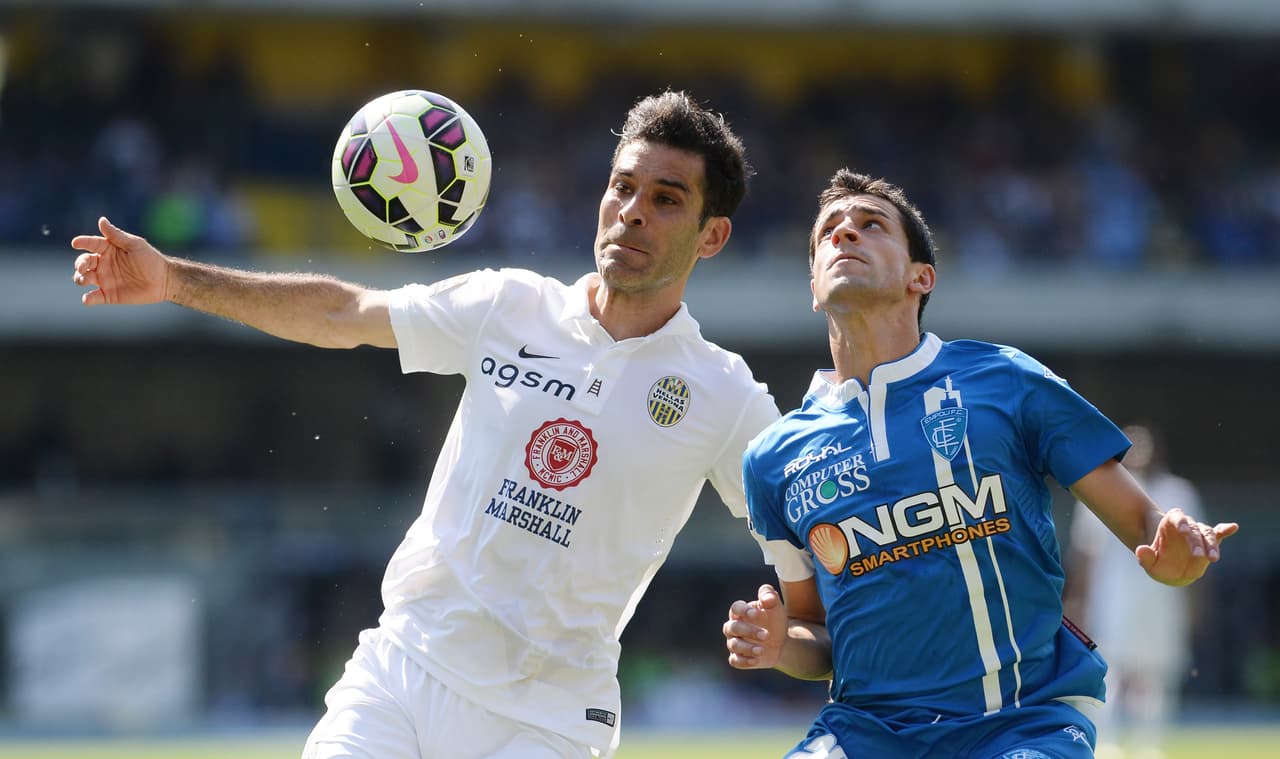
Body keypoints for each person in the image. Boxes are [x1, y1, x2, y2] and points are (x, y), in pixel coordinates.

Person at [70, 90, 812, 759]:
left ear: (711, 237)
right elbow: (341, 312)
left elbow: (816, 545)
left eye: (666, 198)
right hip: (403, 668)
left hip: (548, 720)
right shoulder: (509, 304)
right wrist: (172, 278)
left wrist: (795, 640)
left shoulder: (724, 393)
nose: (632, 212)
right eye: (622, 187)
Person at [720, 169, 1238, 758]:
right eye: (828, 234)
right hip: (866, 732)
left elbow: (1145, 528)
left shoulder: (1007, 381)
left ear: (922, 277)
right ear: (814, 288)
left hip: (1020, 722)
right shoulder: (772, 459)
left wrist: (1177, 561)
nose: (846, 236)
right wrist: (777, 644)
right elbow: (816, 634)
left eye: (870, 225)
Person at [1065, 423, 1202, 759]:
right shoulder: (1099, 492)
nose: (1141, 453)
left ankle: (1148, 746)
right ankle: (1109, 743)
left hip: (1161, 598)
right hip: (1113, 597)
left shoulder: (1178, 494)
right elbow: (1085, 555)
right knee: (1111, 670)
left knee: (1157, 673)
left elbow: (1197, 553)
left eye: (1147, 446)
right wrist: (1078, 600)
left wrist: (1194, 603)